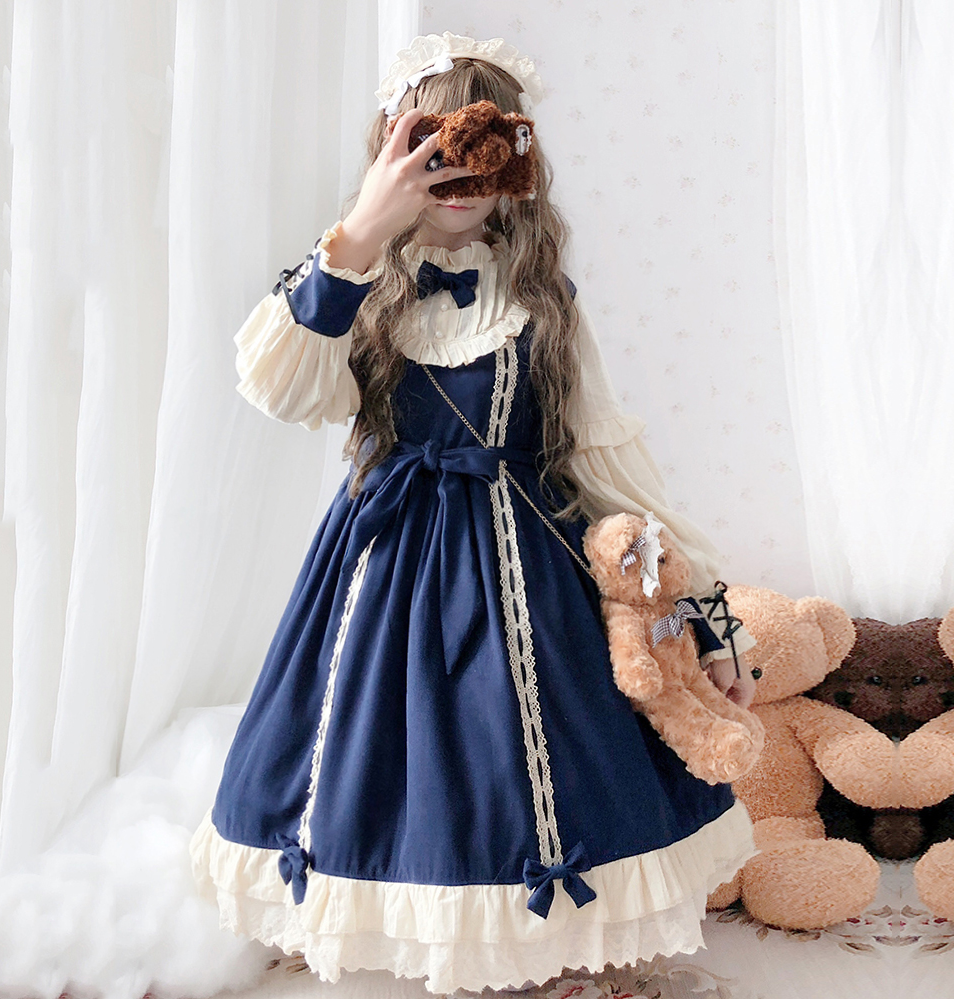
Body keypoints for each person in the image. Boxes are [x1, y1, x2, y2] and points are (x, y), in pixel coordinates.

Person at [191, 32, 758, 996]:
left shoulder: (540, 298)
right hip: (386, 562)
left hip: (527, 562)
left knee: (528, 758)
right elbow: (277, 387)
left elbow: (602, 455)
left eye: (483, 145)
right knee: (387, 758)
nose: (456, 174)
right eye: (431, 145)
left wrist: (703, 613)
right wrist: (363, 229)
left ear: (519, 158)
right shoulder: (354, 281)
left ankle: (523, 933)